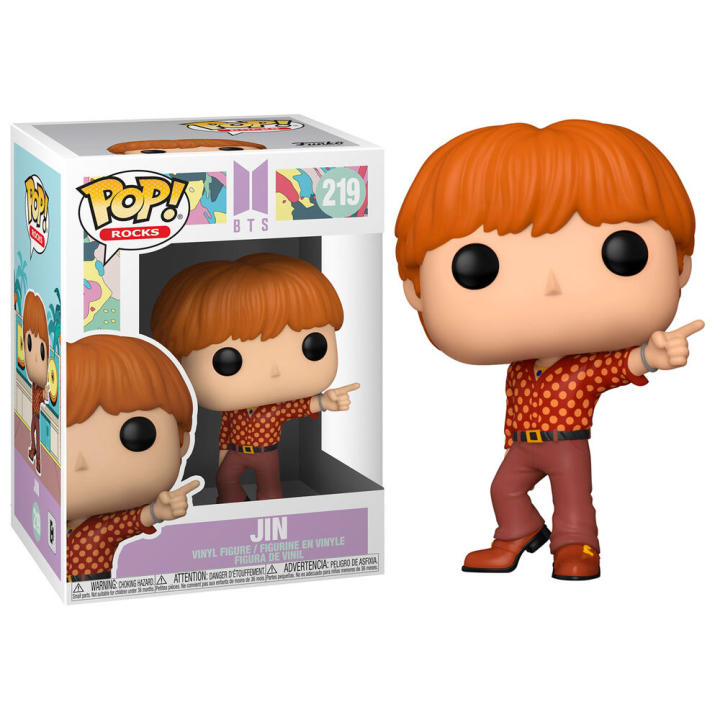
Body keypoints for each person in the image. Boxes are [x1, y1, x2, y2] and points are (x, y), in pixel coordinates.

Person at [395, 120, 704, 580]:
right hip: (525, 444)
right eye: (478, 266)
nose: (551, 285)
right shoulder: (522, 365)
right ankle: (517, 532)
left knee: (573, 500)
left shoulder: (584, 367)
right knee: (503, 489)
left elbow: (620, 365)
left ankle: (577, 546)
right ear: (416, 290)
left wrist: (653, 357)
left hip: (566, 444)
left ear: (680, 266)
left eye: (622, 253)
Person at [152, 253, 359, 503]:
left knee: (269, 488)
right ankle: (233, 507)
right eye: (228, 361)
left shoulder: (275, 408)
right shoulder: (233, 410)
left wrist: (326, 402)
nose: (274, 370)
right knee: (225, 480)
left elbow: (300, 407)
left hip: (266, 454)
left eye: (312, 346)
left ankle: (269, 511)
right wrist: (222, 458)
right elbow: (225, 434)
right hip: (237, 453)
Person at [66, 333, 199, 581]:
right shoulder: (46, 520)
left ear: (181, 442)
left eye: (136, 435)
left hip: (92, 588)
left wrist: (158, 510)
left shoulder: (102, 528)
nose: (80, 462)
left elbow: (132, 520)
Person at [22, 290, 50, 475]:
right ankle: (33, 450)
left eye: (41, 352)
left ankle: (38, 457)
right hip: (34, 414)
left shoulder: (40, 387)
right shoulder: (33, 384)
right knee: (31, 431)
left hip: (38, 415)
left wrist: (47, 391)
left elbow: (45, 397)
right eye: (29, 345)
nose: (34, 359)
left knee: (38, 433)